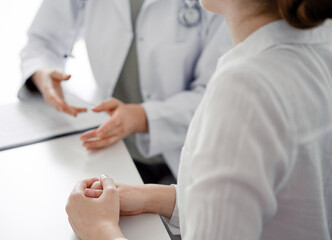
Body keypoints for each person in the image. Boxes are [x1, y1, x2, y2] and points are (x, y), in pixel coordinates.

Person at [65, 0, 332, 239]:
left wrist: (99, 230)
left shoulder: (246, 90)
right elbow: (268, 210)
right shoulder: (320, 46)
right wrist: (154, 197)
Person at [19, 0, 231, 183]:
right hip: (112, 146)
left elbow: (220, 94)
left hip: (193, 155)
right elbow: (42, 42)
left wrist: (144, 117)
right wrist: (41, 72)